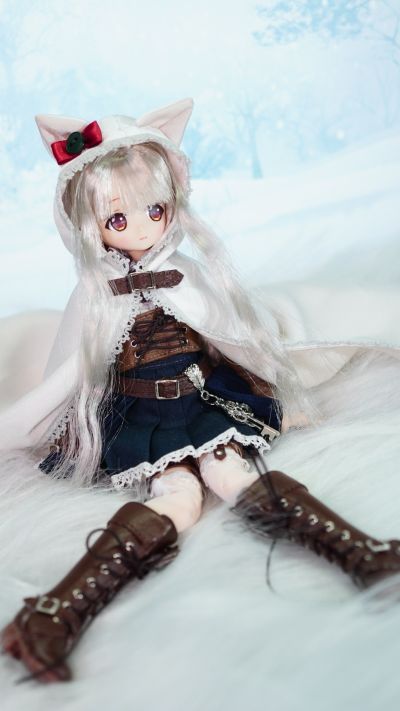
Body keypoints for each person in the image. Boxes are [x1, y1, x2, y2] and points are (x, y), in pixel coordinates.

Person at [2, 98, 400, 684]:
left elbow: (231, 335)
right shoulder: (93, 295)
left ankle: (361, 553)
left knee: (232, 475)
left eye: (154, 210)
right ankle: (56, 613)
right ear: (88, 225)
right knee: (180, 502)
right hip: (141, 416)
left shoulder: (186, 272)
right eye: (118, 220)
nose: (142, 229)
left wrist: (270, 383)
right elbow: (69, 374)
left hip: (201, 401)